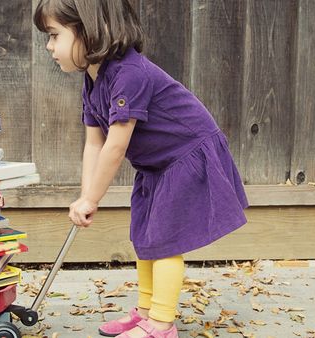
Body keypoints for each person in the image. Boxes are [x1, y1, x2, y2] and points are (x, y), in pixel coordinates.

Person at [34, 0, 249, 337]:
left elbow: (116, 145)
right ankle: (147, 312)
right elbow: (95, 143)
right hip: (156, 165)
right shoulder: (93, 80)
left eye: (54, 35)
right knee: (144, 237)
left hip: (185, 156)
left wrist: (92, 198)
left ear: (90, 30)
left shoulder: (129, 74)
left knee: (164, 241)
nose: (49, 46)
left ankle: (162, 325)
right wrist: (86, 195)